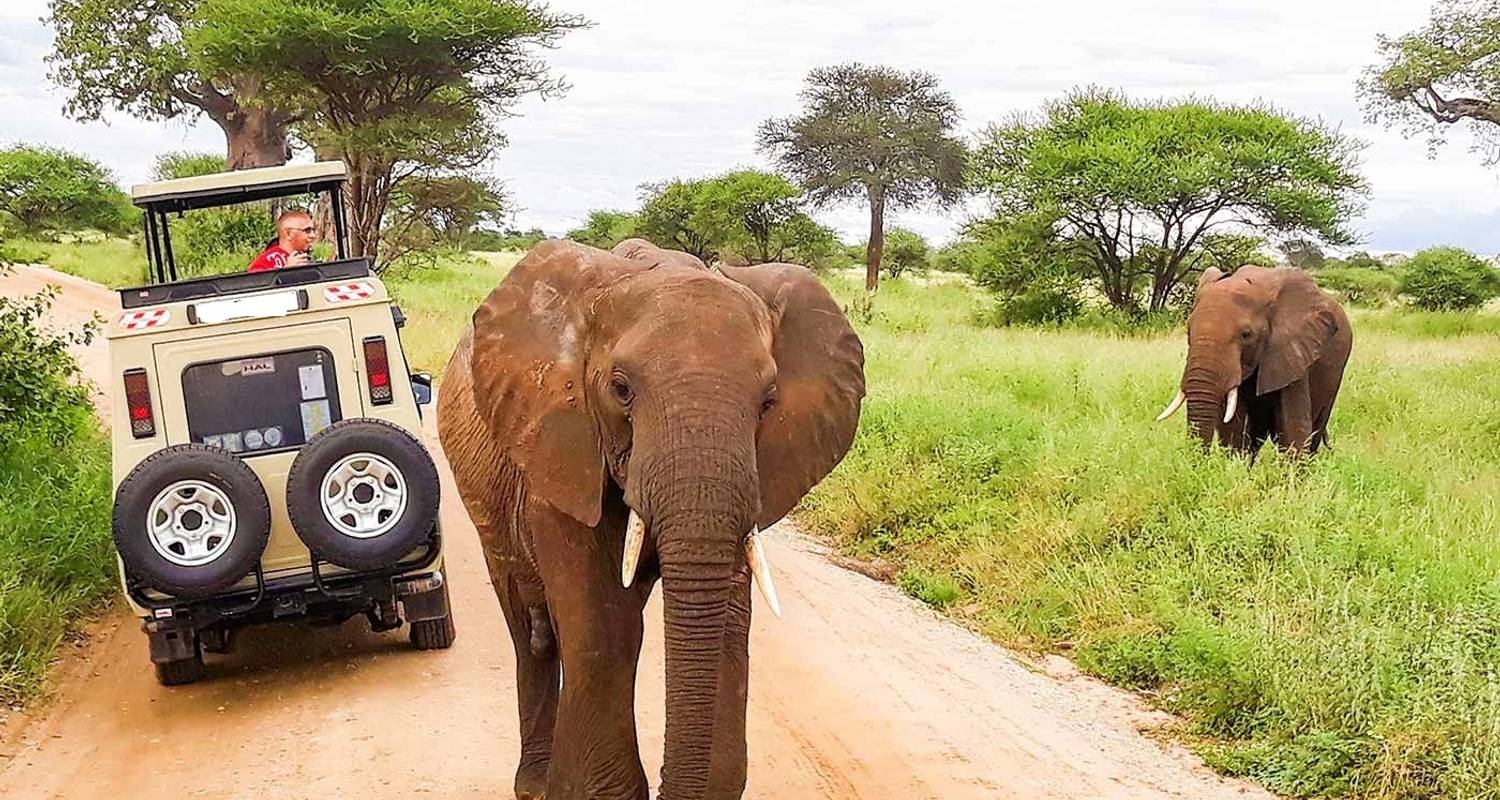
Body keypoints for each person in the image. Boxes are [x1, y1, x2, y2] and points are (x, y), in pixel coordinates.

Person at [247, 209, 316, 272]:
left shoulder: (306, 257)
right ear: (289, 234)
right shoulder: (266, 261)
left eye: (313, 230)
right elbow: (253, 283)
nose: (313, 236)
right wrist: (286, 272)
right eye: (307, 231)